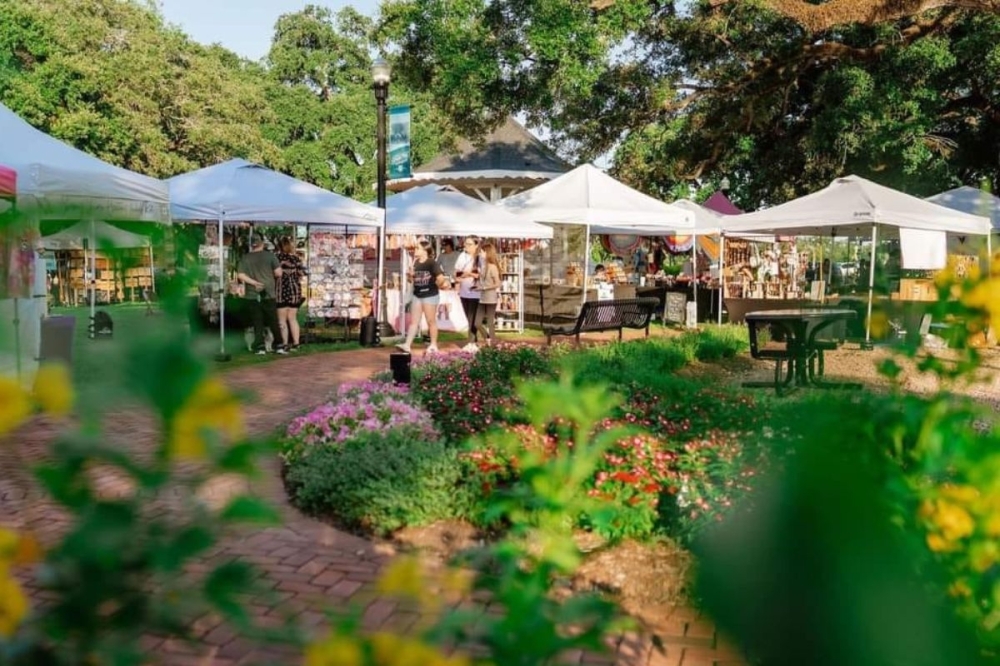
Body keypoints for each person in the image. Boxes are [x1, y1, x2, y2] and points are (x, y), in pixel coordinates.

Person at [397, 240, 451, 354]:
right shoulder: (415, 262)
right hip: (417, 294)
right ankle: (407, 344)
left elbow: (441, 278)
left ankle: (433, 344)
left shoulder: (432, 263)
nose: (416, 250)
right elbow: (411, 280)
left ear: (425, 250)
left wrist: (439, 285)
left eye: (418, 248)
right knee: (414, 321)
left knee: (430, 320)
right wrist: (410, 276)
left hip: (430, 295)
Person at [237, 235, 284, 355]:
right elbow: (278, 273)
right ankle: (279, 345)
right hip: (269, 293)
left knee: (257, 321)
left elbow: (241, 275)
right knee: (273, 320)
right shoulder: (270, 256)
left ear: (251, 245)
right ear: (262, 244)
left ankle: (260, 346)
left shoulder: (245, 258)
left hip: (252, 294)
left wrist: (253, 282)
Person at [275, 237, 306, 351]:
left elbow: (274, 274)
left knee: (282, 320)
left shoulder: (276, 258)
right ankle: (296, 343)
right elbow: (301, 273)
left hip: (280, 290)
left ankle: (284, 343)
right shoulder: (296, 259)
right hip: (294, 290)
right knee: (292, 318)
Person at [454, 236, 482, 348]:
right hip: (464, 291)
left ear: (476, 245)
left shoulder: (481, 257)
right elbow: (457, 270)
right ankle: (474, 342)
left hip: (476, 292)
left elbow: (483, 275)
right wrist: (457, 278)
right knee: (468, 317)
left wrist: (469, 274)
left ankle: (471, 342)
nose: (466, 246)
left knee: (473, 318)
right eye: (465, 244)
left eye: (469, 244)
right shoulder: (462, 256)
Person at [473, 242, 501, 348]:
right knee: (477, 323)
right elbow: (483, 282)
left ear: (487, 253)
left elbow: (498, 283)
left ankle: (493, 345)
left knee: (490, 323)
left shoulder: (492, 267)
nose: (480, 254)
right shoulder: (483, 266)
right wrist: (477, 286)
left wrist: (484, 287)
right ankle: (488, 338)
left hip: (491, 298)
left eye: (482, 252)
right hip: (482, 298)